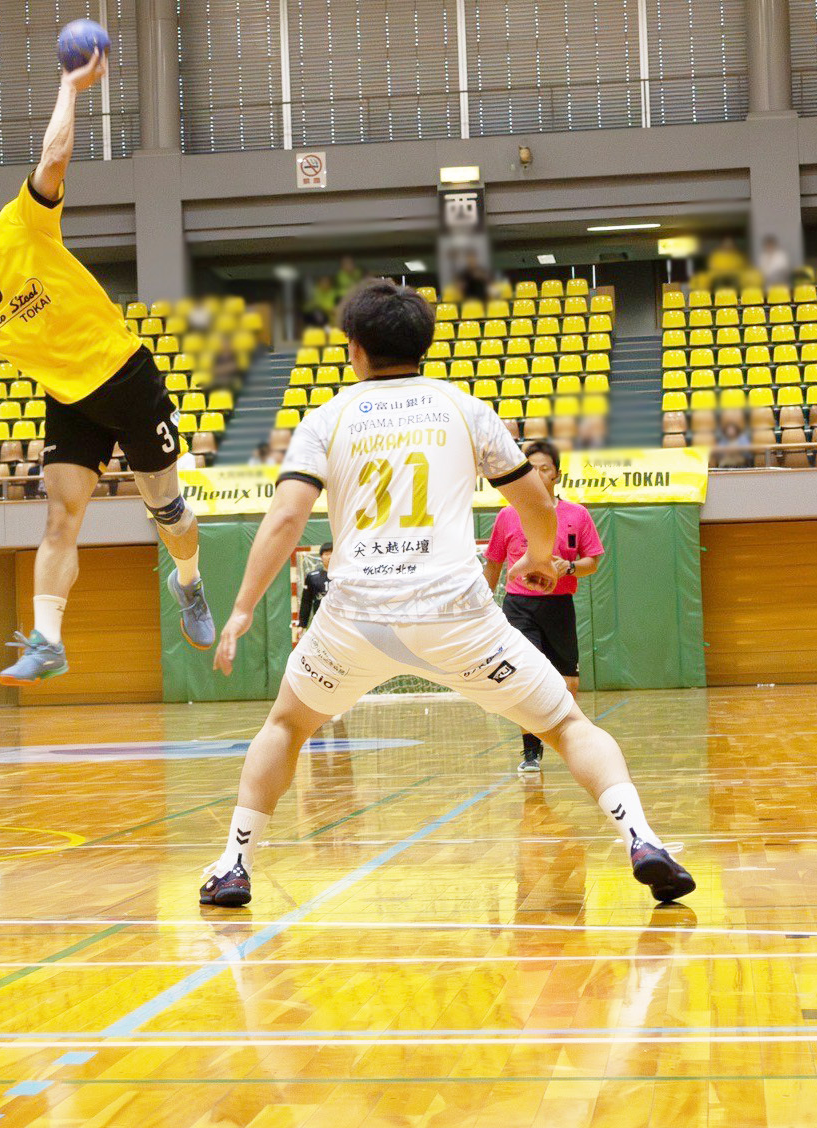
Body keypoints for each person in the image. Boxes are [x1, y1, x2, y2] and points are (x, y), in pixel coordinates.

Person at [200, 278, 692, 909]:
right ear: (425, 345)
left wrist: (243, 607)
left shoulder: (327, 417)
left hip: (354, 619)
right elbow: (536, 502)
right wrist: (541, 560)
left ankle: (235, 863)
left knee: (288, 724)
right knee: (568, 724)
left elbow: (287, 520)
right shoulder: (464, 409)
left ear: (353, 347)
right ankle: (643, 839)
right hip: (455, 619)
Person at [0, 47, 213, 683]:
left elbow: (54, 159)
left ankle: (189, 580)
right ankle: (48, 640)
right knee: (60, 516)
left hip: (124, 375)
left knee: (167, 511)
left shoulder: (21, 227)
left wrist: (71, 87)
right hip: (70, 401)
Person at [484, 440, 603, 774]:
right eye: (531, 468)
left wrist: (567, 567)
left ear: (557, 474)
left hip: (559, 605)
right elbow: (493, 563)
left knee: (568, 683)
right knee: (526, 677)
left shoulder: (577, 515)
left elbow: (592, 561)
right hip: (519, 607)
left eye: (544, 468)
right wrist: (483, 603)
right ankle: (530, 751)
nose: (537, 474)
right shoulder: (508, 515)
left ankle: (565, 737)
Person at [296, 543, 331, 630]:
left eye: (333, 553)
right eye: (327, 554)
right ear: (321, 557)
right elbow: (306, 602)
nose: (330, 557)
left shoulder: (344, 576)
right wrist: (302, 625)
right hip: (320, 623)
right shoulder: (312, 577)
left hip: (341, 623)